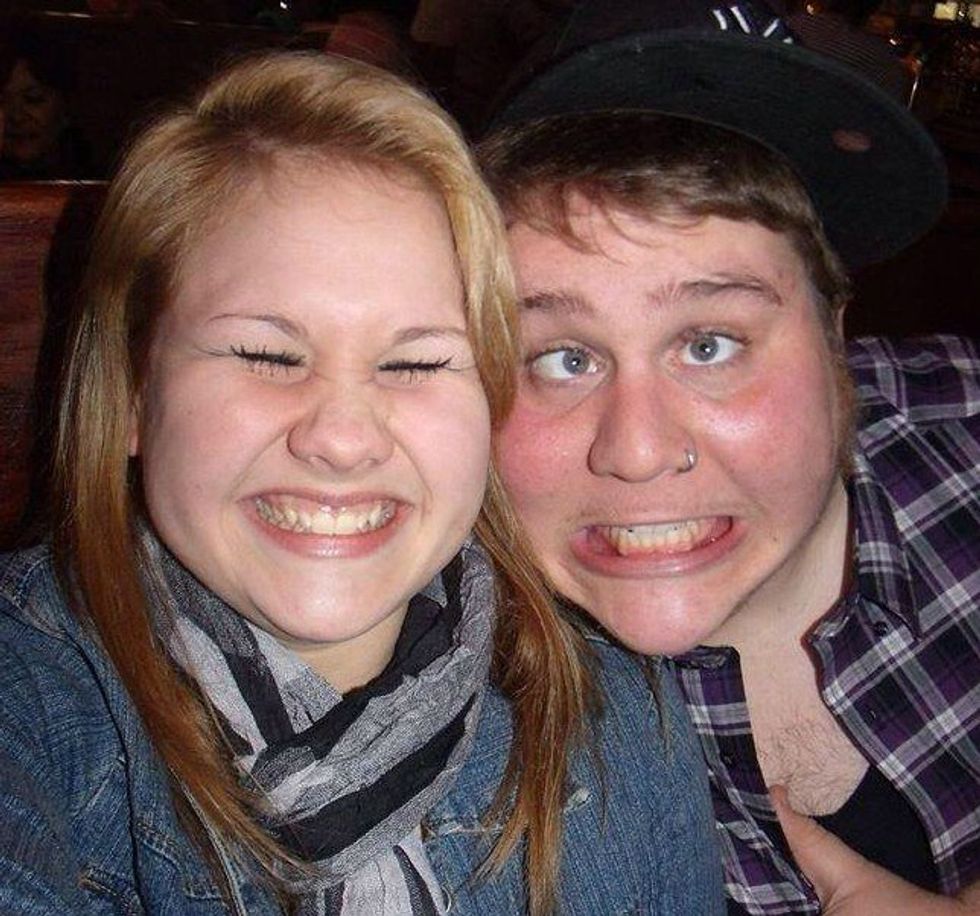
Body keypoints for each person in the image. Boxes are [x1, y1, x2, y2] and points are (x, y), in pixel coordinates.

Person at [0, 50, 723, 915]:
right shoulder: (32, 706)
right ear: (132, 394)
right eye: (268, 355)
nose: (343, 440)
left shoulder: (617, 712)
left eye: (415, 363)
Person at [476, 1, 980, 913]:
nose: (636, 451)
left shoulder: (962, 434)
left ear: (835, 338)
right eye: (562, 358)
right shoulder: (443, 696)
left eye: (709, 344)